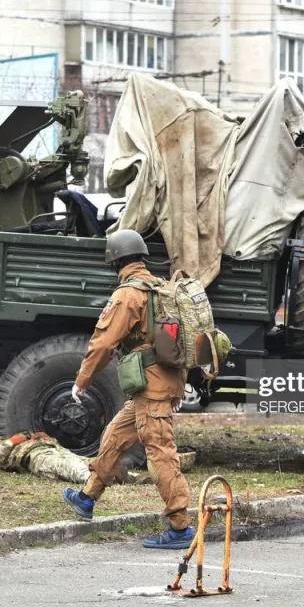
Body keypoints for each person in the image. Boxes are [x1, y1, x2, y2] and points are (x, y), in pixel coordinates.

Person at [61, 229, 195, 550]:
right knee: (116, 434)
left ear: (115, 261)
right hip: (163, 381)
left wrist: (82, 381)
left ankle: (180, 527)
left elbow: (103, 343)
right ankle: (87, 498)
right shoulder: (160, 287)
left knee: (160, 451)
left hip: (151, 385)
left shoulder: (128, 294)